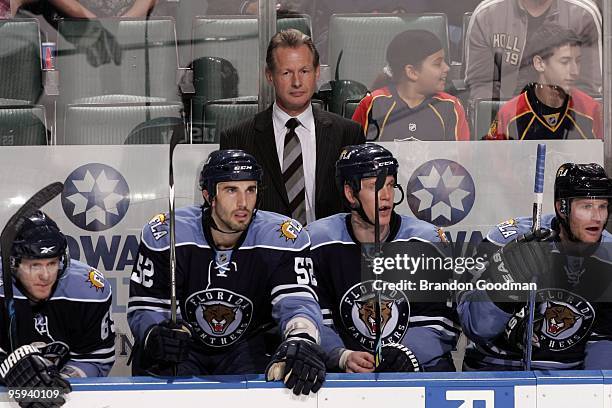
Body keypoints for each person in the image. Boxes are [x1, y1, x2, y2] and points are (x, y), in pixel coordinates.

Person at [128, 149, 327, 396]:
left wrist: (302, 338)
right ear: (208, 194)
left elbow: (297, 302)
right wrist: (154, 333)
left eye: (251, 190)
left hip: (248, 345)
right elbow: (145, 306)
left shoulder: (283, 236)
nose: (243, 203)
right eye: (231, 190)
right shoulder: (165, 233)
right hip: (186, 344)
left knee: (284, 372)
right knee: (156, 360)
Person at [309, 144, 460, 373]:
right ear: (350, 194)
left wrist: (406, 352)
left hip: (419, 372)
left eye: (390, 185)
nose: (387, 196)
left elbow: (442, 321)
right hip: (349, 380)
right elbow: (315, 318)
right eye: (375, 187)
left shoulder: (425, 240)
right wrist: (341, 356)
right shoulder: (319, 241)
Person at [458, 163, 612, 370]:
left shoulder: (609, 257)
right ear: (562, 207)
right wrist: (505, 287)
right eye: (586, 207)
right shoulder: (504, 240)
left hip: (567, 378)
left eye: (602, 206)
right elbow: (474, 327)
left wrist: (595, 389)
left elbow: (604, 341)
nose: (598, 218)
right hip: (493, 369)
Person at [220, 28, 364, 225]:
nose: (297, 82)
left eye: (304, 71)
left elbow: (360, 205)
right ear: (269, 75)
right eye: (286, 73)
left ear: (317, 72)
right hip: (265, 251)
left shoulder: (348, 134)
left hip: (329, 251)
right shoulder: (237, 138)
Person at [0, 211, 115, 406]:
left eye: (52, 263)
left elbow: (95, 359)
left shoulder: (89, 289)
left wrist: (55, 383)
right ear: (12, 264)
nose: (45, 275)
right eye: (35, 265)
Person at [464, 0, 602, 101]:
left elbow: (589, 88)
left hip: (566, 120)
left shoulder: (584, 15)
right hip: (505, 121)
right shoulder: (486, 15)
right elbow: (480, 85)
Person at [484, 24, 602, 140]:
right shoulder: (508, 115)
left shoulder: (591, 111)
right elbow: (492, 158)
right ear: (539, 64)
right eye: (565, 62)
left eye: (578, 61)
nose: (575, 71)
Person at [352, 30, 470, 141]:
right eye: (438, 64)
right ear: (412, 72)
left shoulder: (451, 106)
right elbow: (351, 155)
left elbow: (460, 160)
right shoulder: (372, 104)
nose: (447, 68)